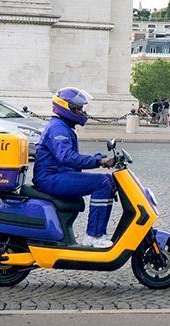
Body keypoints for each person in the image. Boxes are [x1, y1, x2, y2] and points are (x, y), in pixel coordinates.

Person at [33, 88, 117, 248]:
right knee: (103, 182)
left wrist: (98, 158)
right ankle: (94, 235)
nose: (81, 111)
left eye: (81, 108)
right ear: (65, 107)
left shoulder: (63, 126)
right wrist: (98, 162)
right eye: (77, 108)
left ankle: (100, 233)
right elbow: (66, 156)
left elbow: (68, 157)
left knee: (109, 181)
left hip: (57, 175)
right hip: (50, 179)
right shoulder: (58, 128)